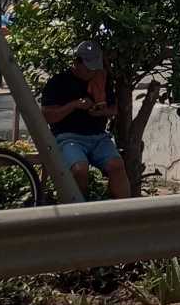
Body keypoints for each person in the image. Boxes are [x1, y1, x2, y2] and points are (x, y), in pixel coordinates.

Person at [40, 38, 128, 198]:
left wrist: (101, 112)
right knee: (79, 169)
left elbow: (113, 109)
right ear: (76, 62)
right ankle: (81, 206)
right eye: (88, 69)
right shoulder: (59, 82)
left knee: (117, 166)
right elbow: (47, 116)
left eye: (94, 68)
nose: (91, 72)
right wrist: (73, 105)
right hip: (67, 136)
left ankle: (122, 209)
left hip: (98, 136)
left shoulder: (100, 80)